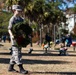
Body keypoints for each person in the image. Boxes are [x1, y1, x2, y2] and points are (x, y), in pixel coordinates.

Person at [8, 5, 28, 74]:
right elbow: (9, 29)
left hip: (20, 38)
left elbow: (24, 28)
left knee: (16, 52)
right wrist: (12, 35)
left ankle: (10, 67)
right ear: (14, 11)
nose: (19, 12)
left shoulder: (21, 19)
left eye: (20, 11)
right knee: (17, 52)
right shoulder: (12, 19)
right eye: (18, 11)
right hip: (14, 38)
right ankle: (21, 68)